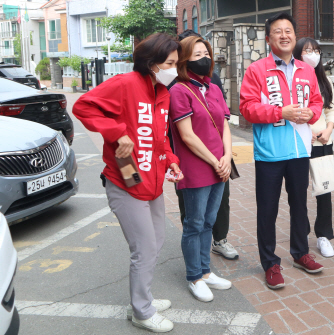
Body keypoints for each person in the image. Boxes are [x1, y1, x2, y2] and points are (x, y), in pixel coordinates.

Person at [73, 33, 184, 333]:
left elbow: (159, 138)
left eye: (176, 63)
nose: (175, 69)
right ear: (151, 64)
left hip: (152, 183)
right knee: (144, 248)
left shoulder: (164, 93)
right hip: (125, 183)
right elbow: (83, 106)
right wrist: (116, 132)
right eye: (170, 63)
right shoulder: (125, 84)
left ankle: (143, 298)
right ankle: (141, 312)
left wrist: (171, 160)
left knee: (155, 242)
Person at [239, 12, 325, 290]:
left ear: (295, 37)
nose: (284, 35)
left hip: (300, 149)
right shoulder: (256, 70)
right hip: (270, 152)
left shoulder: (307, 70)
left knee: (299, 205)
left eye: (289, 30)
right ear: (268, 38)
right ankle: (270, 262)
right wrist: (280, 111)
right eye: (278, 31)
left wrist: (310, 114)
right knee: (267, 209)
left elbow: (317, 102)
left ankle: (300, 253)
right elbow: (246, 108)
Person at [169, 36, 233, 302]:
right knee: (194, 224)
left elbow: (226, 126)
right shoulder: (179, 91)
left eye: (205, 53)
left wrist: (228, 157)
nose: (202, 58)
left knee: (209, 221)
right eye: (195, 55)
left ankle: (206, 272)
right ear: (184, 60)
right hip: (196, 167)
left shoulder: (214, 88)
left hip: (220, 166)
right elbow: (187, 136)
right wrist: (215, 159)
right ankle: (194, 276)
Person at [292, 37, 334, 258]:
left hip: (322, 142)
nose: (313, 54)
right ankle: (301, 235)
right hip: (300, 143)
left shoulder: (323, 79)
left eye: (316, 51)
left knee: (324, 190)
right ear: (298, 53)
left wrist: (328, 130)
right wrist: (305, 132)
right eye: (308, 50)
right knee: (298, 192)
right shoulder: (292, 78)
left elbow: (330, 109)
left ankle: (323, 235)